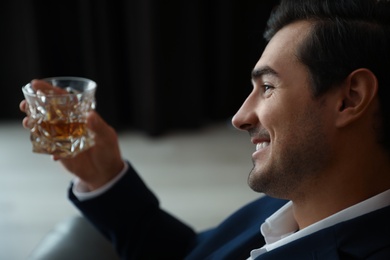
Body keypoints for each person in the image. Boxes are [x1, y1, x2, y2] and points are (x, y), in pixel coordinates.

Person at [20, 0, 390, 259]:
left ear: (350, 98)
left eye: (268, 87)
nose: (240, 117)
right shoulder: (292, 196)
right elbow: (192, 254)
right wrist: (105, 177)